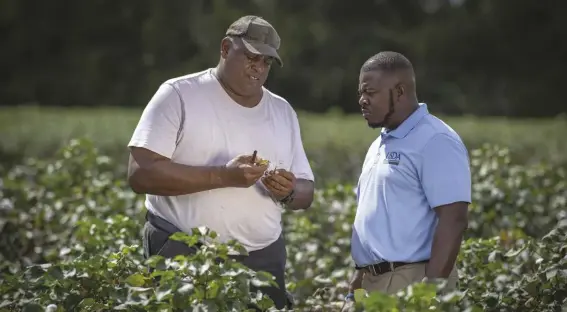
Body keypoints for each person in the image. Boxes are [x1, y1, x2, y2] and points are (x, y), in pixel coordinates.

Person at [126, 15, 315, 310]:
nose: (259, 68)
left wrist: (288, 191)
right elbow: (140, 174)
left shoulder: (282, 111)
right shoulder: (179, 94)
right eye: (251, 57)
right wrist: (223, 176)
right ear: (226, 49)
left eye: (266, 62)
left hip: (263, 259)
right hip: (185, 253)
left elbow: (306, 192)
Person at [343, 51, 471, 307]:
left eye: (370, 92)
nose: (362, 100)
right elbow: (373, 222)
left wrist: (428, 295)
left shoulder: (435, 140)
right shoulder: (380, 143)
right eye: (361, 92)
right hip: (370, 283)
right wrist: (355, 289)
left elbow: (453, 219)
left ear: (399, 91)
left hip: (410, 282)